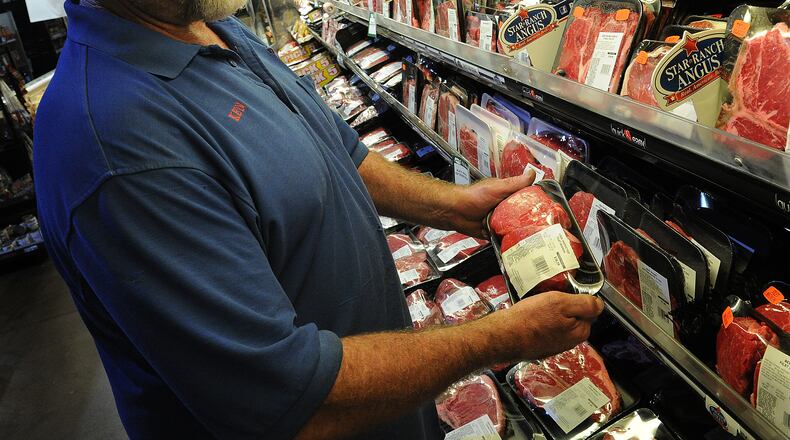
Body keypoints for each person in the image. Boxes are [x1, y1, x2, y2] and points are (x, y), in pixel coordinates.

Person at [33, 1, 604, 439]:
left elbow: (337, 152)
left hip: (387, 406)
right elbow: (288, 402)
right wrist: (495, 339)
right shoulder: (116, 146)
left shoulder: (207, 26)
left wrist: (453, 206)